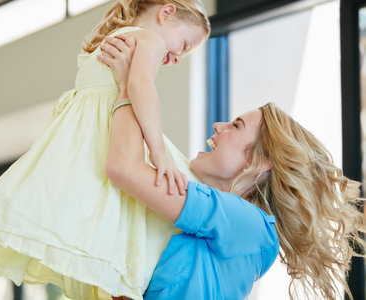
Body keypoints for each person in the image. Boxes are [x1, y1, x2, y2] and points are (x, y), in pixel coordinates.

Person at [0, 1, 210, 299]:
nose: (179, 57)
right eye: (185, 45)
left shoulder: (109, 42)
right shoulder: (148, 39)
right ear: (167, 13)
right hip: (111, 138)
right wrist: (158, 153)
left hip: (84, 151)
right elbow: (141, 88)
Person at [98, 35, 366, 299]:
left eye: (236, 126)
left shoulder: (252, 225)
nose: (218, 125)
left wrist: (128, 86)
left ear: (259, 161)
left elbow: (123, 168)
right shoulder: (211, 226)